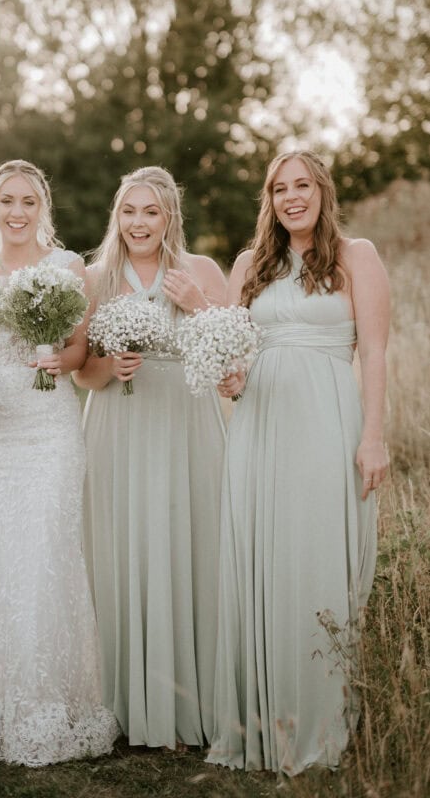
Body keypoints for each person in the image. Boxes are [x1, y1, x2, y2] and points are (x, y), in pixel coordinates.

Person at [207, 150, 389, 776]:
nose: (291, 198)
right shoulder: (248, 265)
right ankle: (260, 722)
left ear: (321, 191)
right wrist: (229, 380)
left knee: (314, 557)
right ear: (270, 199)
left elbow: (375, 354)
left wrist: (373, 435)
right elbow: (228, 352)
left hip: (326, 423)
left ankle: (317, 724)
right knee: (264, 557)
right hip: (259, 426)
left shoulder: (355, 256)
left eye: (302, 185)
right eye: (279, 188)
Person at [0, 159, 119, 766]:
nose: (17, 212)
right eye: (6, 202)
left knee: (49, 552)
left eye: (27, 201)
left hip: (50, 430)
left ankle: (51, 702)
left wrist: (60, 361)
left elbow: (81, 346)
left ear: (42, 206)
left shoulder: (69, 268)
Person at [74, 166, 227, 750]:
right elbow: (81, 371)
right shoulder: (94, 279)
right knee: (124, 548)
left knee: (190, 545)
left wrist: (197, 304)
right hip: (118, 424)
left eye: (151, 212)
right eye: (130, 211)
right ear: (117, 215)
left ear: (169, 218)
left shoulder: (201, 272)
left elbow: (233, 351)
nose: (139, 223)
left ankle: (190, 704)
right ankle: (123, 704)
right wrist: (109, 369)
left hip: (187, 421)